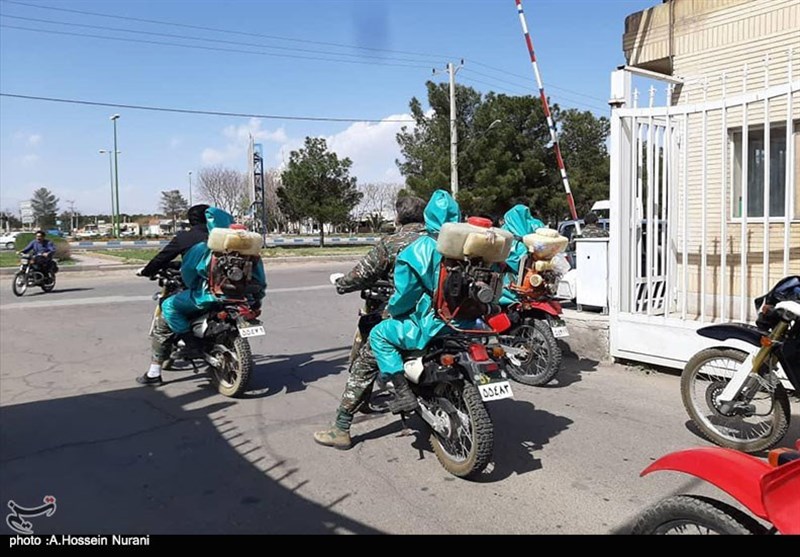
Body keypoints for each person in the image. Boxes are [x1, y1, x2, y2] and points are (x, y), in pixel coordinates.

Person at [313, 195, 427, 450]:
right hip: (439, 316)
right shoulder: (438, 239)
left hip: (404, 316)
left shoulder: (392, 242)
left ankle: (341, 428)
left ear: (398, 217)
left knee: (365, 361)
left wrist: (341, 284)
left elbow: (362, 274)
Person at [137, 207, 267, 386]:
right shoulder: (247, 250)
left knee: (168, 307)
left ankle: (161, 367)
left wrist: (191, 283)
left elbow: (188, 272)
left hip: (208, 295)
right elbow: (260, 279)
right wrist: (257, 297)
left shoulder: (200, 245)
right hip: (243, 298)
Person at [138, 204, 210, 278]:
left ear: (190, 220)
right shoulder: (216, 235)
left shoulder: (183, 237)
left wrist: (146, 271)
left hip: (193, 281)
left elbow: (161, 258)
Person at [497, 204, 545, 306]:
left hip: (513, 277)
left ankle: (507, 298)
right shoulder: (535, 224)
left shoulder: (505, 230)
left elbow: (510, 257)